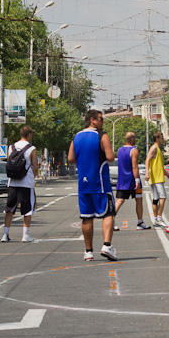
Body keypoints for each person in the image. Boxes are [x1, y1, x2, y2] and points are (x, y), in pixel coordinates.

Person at [69, 110, 117, 260]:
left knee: (86, 217)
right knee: (108, 213)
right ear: (92, 120)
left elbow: (71, 158)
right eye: (101, 119)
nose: (102, 122)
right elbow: (110, 157)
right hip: (100, 183)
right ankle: (107, 245)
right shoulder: (101, 135)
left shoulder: (76, 136)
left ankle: (88, 251)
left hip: (83, 184)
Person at [3, 125, 39, 243]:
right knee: (27, 209)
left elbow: (9, 163)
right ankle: (25, 235)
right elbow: (35, 167)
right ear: (29, 135)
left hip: (13, 182)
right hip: (26, 183)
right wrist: (32, 177)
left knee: (10, 209)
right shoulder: (31, 148)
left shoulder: (11, 147)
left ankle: (5, 234)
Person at [114, 132, 150, 231]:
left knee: (120, 200)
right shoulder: (134, 151)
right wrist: (137, 181)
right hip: (132, 180)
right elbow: (134, 166)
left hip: (122, 180)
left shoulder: (120, 150)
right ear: (133, 139)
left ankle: (111, 221)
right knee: (138, 200)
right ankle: (140, 222)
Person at [144, 132, 169, 227]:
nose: (163, 140)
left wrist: (167, 174)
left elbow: (159, 165)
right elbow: (147, 160)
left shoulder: (158, 149)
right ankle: (159, 217)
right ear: (157, 139)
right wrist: (147, 172)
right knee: (163, 197)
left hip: (158, 177)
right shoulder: (154, 148)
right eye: (162, 138)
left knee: (156, 199)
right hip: (156, 177)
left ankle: (155, 219)